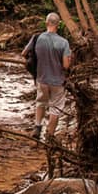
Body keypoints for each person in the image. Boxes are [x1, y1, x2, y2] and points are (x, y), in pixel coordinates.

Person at [22, 12, 73, 141]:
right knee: (55, 109)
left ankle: (37, 127)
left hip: (41, 79)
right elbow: (66, 66)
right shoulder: (64, 42)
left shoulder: (37, 38)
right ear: (58, 25)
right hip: (57, 81)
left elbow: (24, 53)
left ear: (46, 23)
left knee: (40, 102)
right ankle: (50, 136)